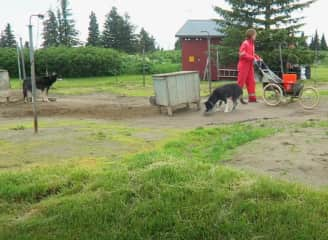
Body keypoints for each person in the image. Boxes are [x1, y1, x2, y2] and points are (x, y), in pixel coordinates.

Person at [237, 29, 261, 103]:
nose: (256, 36)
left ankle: (252, 98)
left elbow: (252, 54)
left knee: (251, 82)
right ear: (251, 35)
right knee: (241, 82)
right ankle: (238, 98)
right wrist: (253, 58)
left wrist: (258, 58)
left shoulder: (252, 44)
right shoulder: (245, 43)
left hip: (250, 65)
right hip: (244, 65)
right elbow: (242, 54)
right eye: (255, 35)